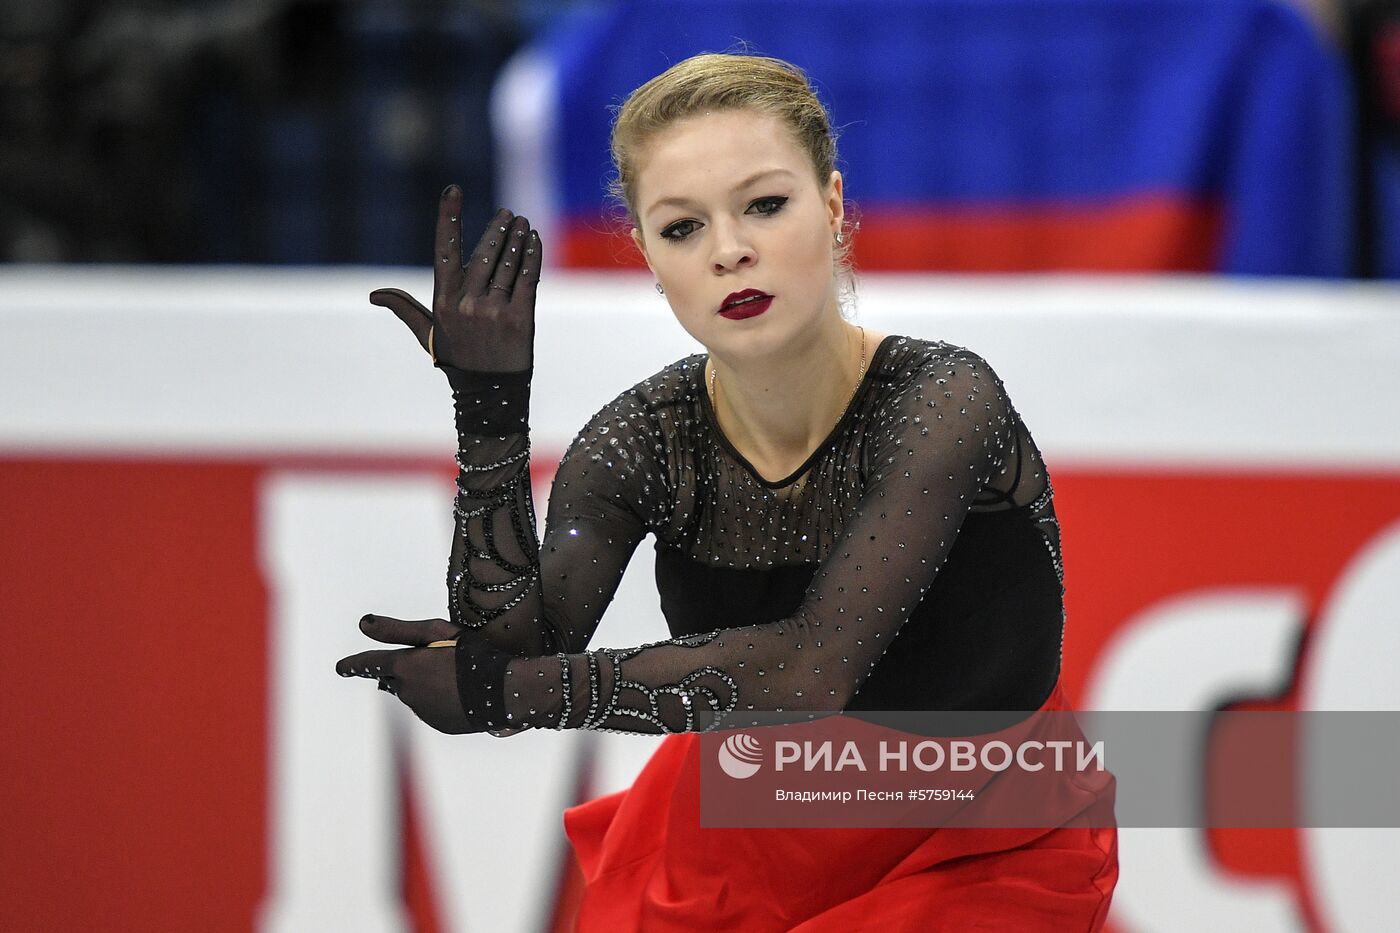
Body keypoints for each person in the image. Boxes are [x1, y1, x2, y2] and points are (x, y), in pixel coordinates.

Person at [337, 52, 1118, 930]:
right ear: (644, 253)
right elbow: (524, 640)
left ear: (831, 205)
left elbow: (811, 669)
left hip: (987, 840)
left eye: (765, 205)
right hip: (747, 838)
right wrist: (489, 415)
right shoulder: (640, 441)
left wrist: (508, 691)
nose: (729, 250)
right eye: (682, 228)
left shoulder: (944, 400)